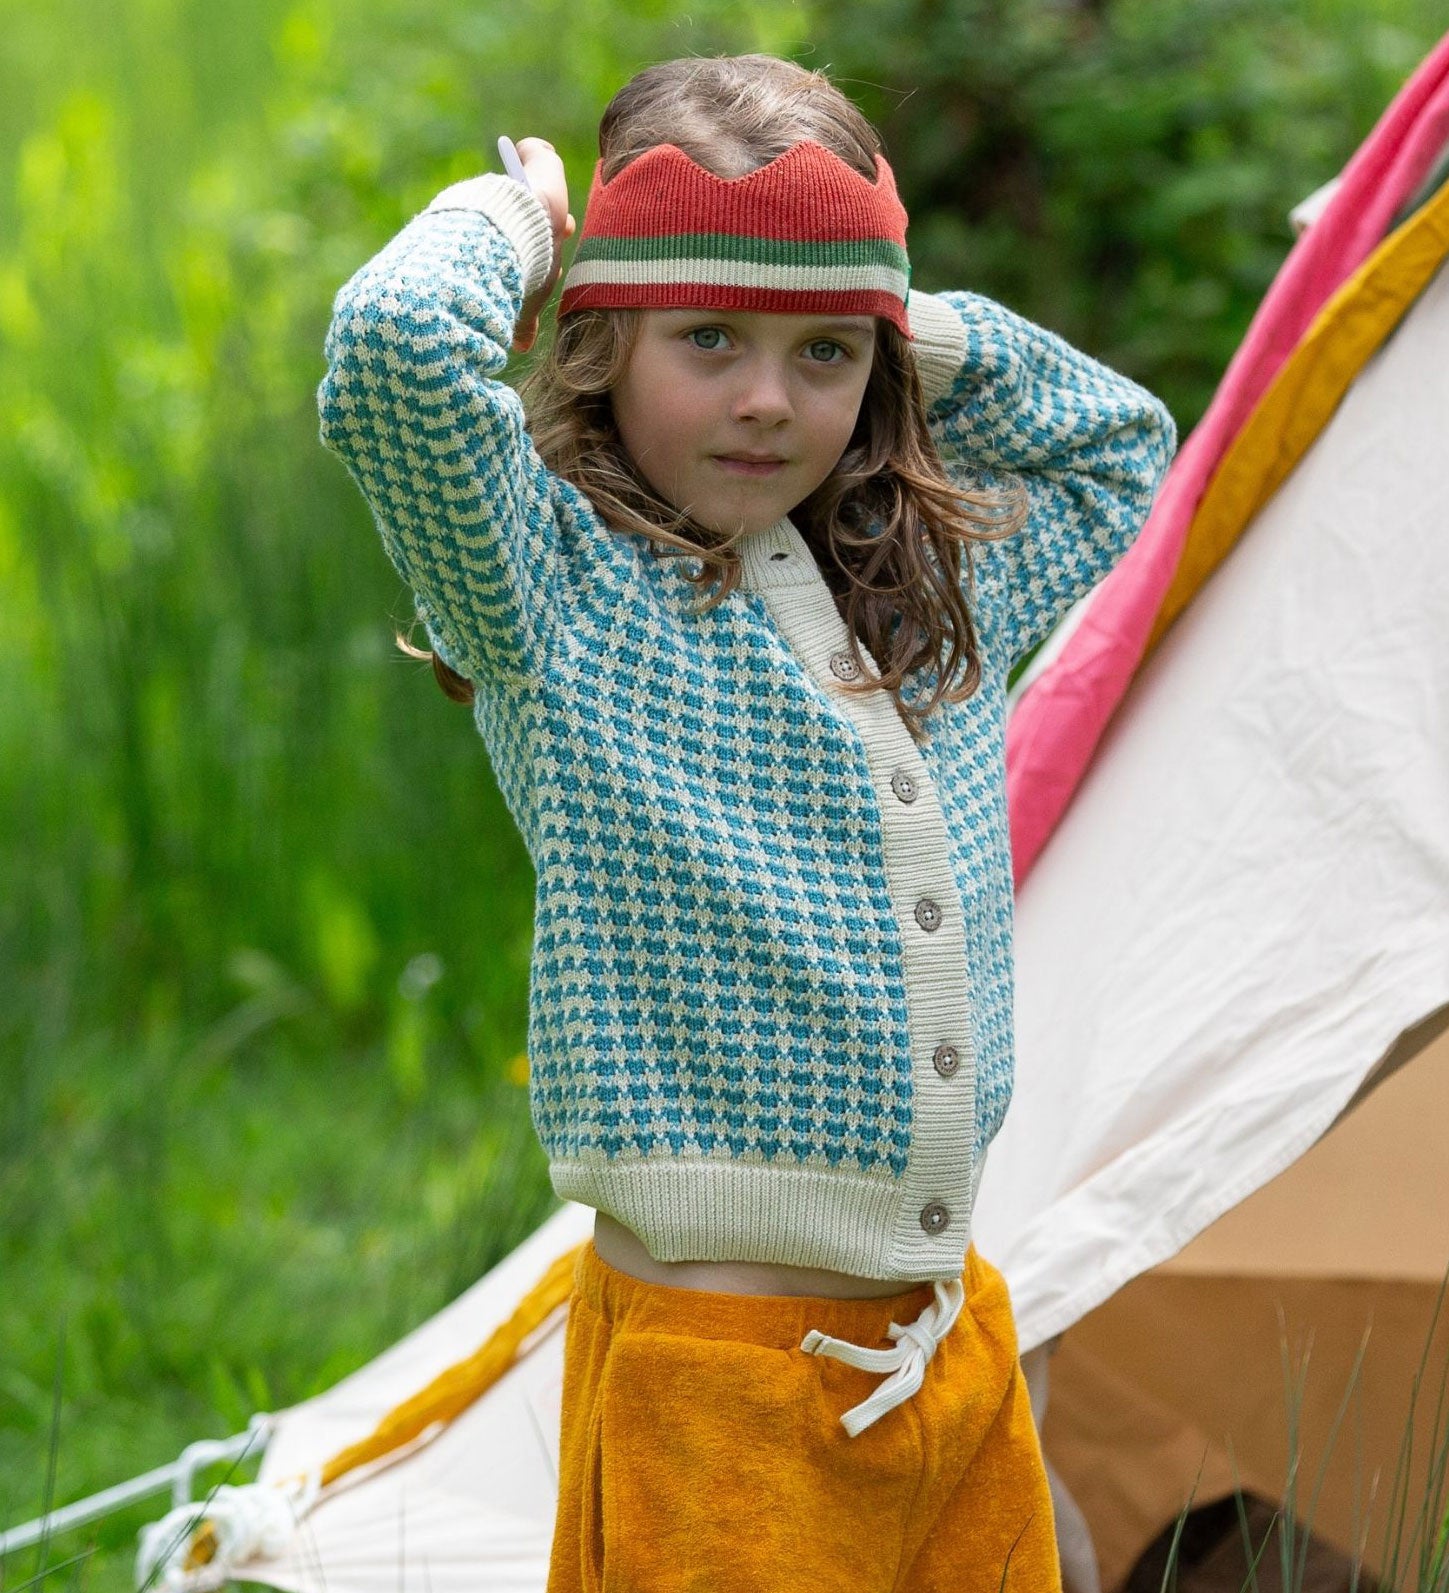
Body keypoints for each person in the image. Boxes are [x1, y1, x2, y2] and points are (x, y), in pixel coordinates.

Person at [319, 51, 1175, 1593]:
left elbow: (1120, 448)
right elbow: (390, 346)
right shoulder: (554, 599)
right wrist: (518, 228)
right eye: (708, 336)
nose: (770, 398)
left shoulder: (931, 607)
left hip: (947, 1338)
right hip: (716, 1385)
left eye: (822, 354)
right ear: (607, 343)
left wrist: (887, 306)